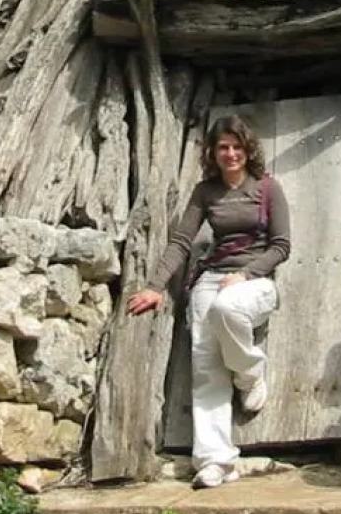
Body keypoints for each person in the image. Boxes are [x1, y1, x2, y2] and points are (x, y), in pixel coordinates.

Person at [125, 114, 291, 489]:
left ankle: (249, 374)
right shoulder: (206, 192)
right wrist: (154, 286)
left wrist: (246, 274)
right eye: (223, 147)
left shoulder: (268, 188)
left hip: (256, 282)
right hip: (211, 278)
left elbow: (282, 246)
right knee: (205, 366)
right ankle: (217, 461)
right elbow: (182, 241)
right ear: (213, 153)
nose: (230, 154)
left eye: (236, 146)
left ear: (248, 150)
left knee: (226, 307)